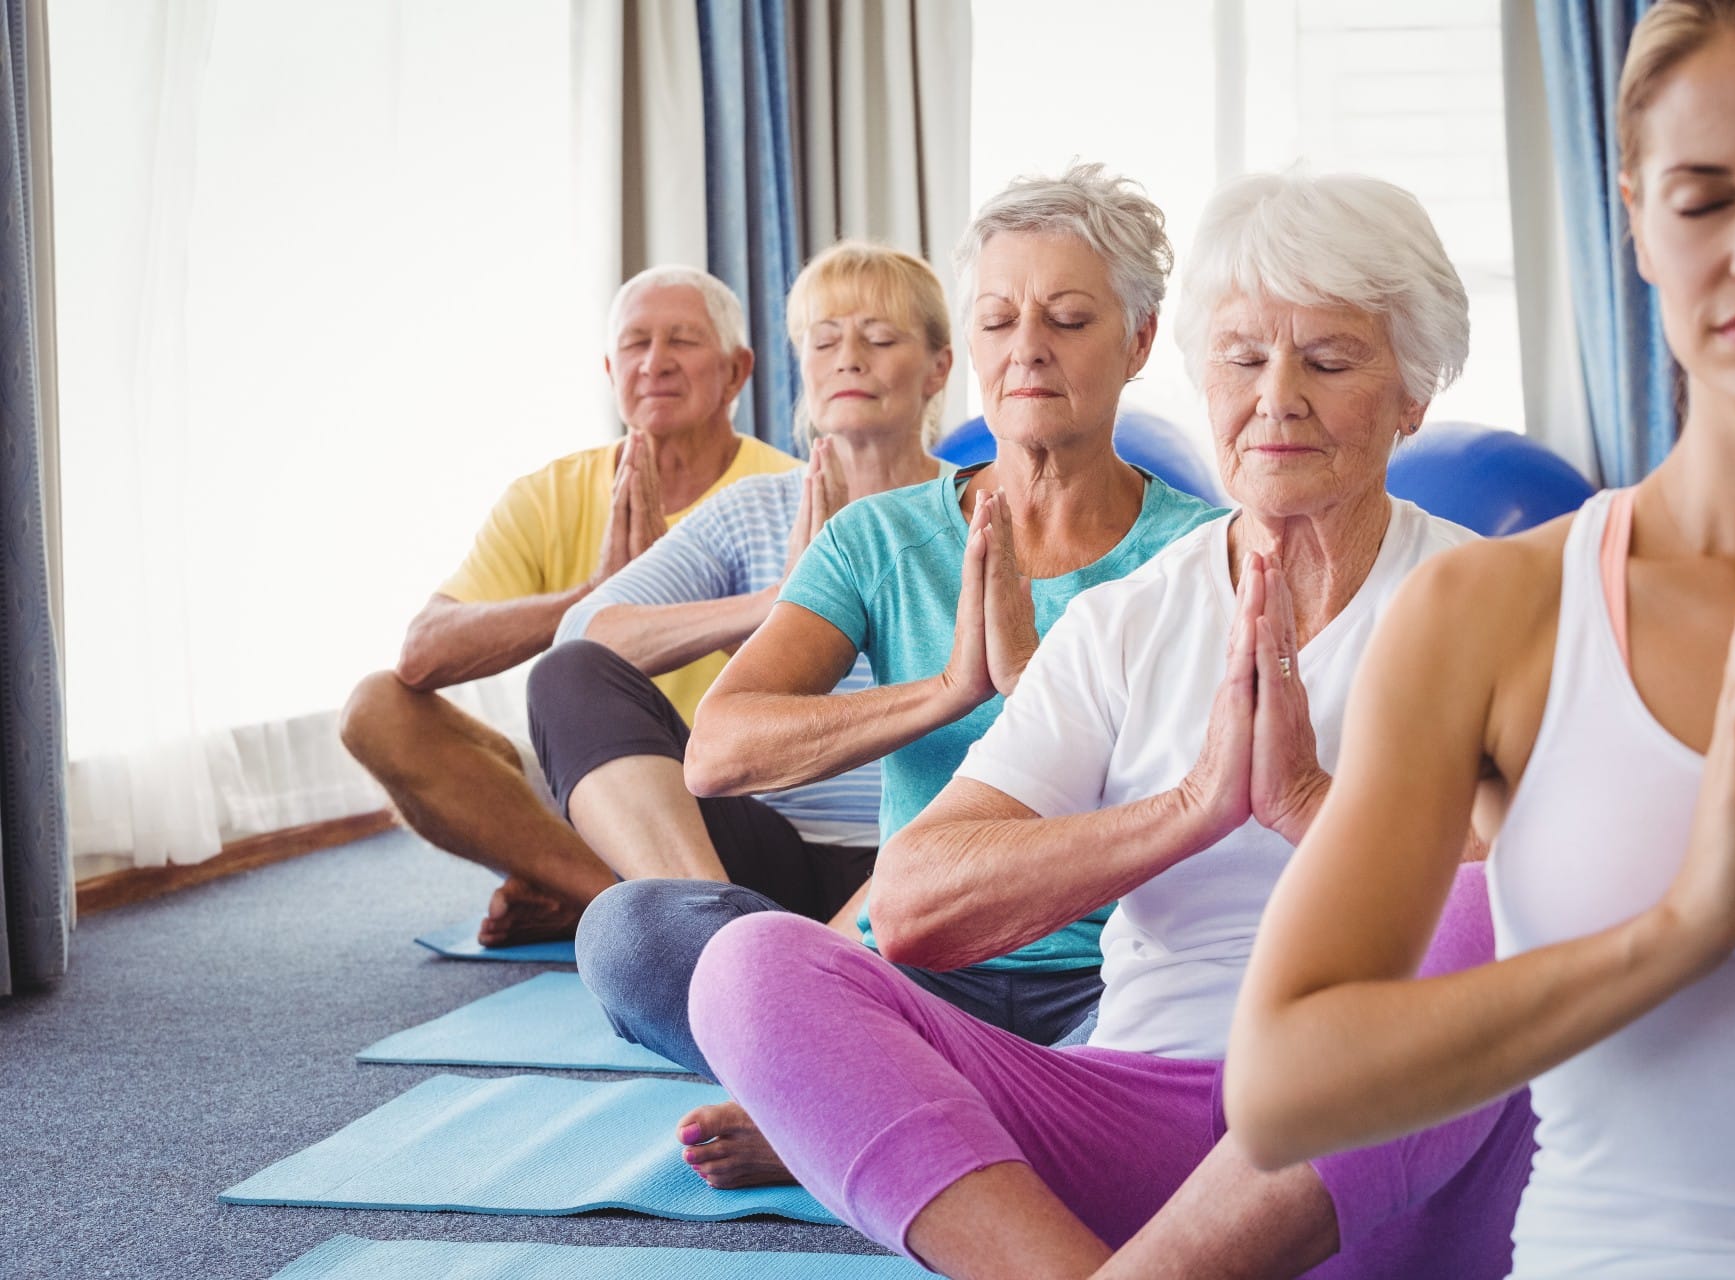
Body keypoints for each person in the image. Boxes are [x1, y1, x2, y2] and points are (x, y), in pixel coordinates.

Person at [684, 170, 1536, 1279]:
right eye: (1241, 357)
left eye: (1328, 360)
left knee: (1492, 905)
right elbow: (914, 908)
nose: (1275, 397)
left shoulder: (1502, 604)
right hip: (1146, 1115)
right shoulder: (1129, 620)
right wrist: (1187, 810)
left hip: (1392, 1140)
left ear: (1413, 395)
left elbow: (1555, 902)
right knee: (748, 967)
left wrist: (1307, 806)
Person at [1226, 2, 1735, 1276]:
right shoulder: (1492, 612)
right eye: (1704, 199)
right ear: (1639, 222)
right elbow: (1280, 1087)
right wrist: (1671, 937)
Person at [576, 163, 1223, 1184]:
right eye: (1001, 319)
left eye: (1067, 317)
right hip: (914, 971)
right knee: (631, 934)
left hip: (1116, 981)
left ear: (1138, 342)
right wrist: (948, 688)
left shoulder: (1205, 553)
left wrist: (1033, 689)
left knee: (1229, 1035)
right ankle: (956, 1101)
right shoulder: (882, 537)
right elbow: (719, 750)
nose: (1029, 349)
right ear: (969, 345)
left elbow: (1216, 794)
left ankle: (860, 1102)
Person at [529, 243, 956, 1066]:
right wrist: (776, 604)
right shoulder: (754, 511)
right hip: (769, 867)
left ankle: (784, 1022)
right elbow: (584, 634)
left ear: (938, 368)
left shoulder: (979, 510)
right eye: (825, 340)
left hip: (924, 859)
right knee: (568, 680)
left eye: (879, 337)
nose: (849, 360)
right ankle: (723, 947)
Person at [338, 267, 795, 946]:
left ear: (736, 372)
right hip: (587, 780)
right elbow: (422, 652)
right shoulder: (547, 493)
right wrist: (596, 596)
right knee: (375, 708)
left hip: (732, 793)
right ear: (611, 369)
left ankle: (624, 894)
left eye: (683, 341)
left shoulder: (785, 491)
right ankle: (603, 894)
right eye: (636, 344)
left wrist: (673, 598)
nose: (655, 362)